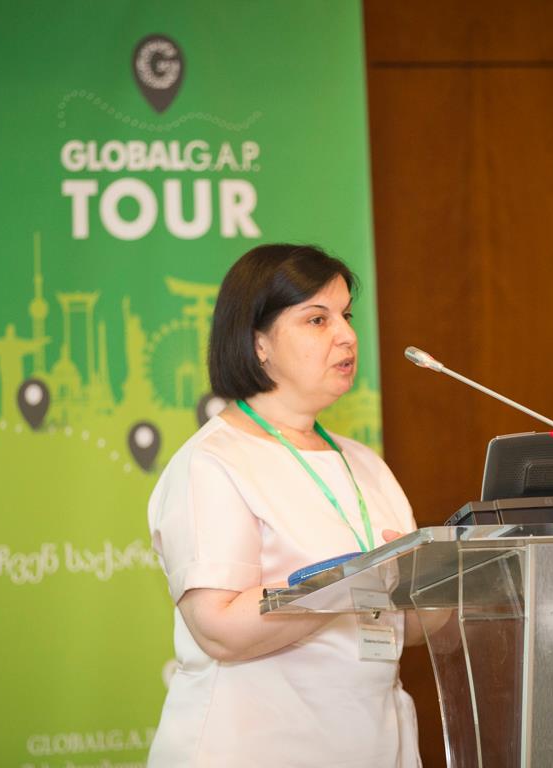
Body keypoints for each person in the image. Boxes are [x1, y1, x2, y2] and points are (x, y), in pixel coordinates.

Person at [146, 244, 422, 767]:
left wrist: (453, 579)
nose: (346, 336)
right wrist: (355, 581)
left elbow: (404, 624)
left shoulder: (364, 463)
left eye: (346, 316)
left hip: (372, 746)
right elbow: (219, 628)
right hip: (253, 748)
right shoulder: (213, 461)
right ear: (259, 343)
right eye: (317, 319)